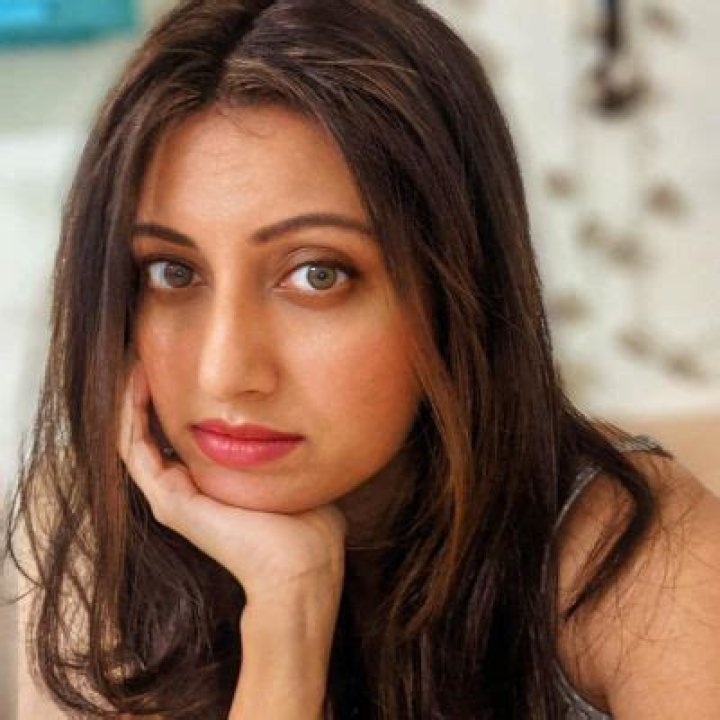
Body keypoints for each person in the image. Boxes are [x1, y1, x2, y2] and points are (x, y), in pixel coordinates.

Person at [5, 1, 720, 718]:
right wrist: (286, 618)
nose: (225, 373)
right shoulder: (90, 526)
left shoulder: (637, 555)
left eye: (317, 275)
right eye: (172, 272)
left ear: (455, 292)